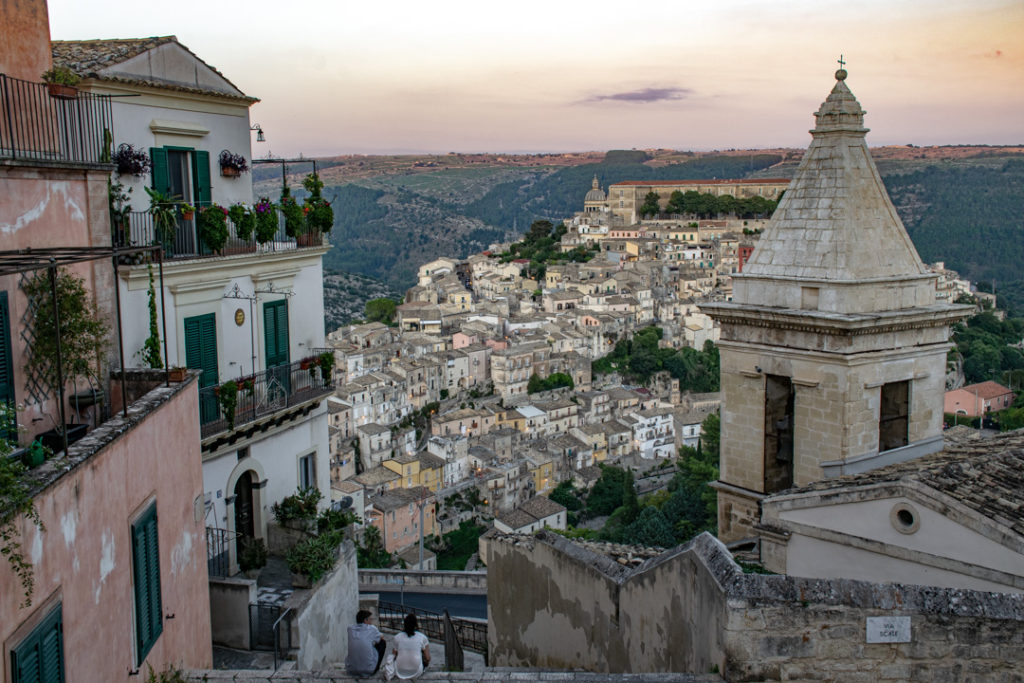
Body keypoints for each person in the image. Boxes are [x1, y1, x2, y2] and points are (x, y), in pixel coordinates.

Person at [345, 609, 387, 677]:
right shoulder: (372, 629)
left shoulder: (350, 629)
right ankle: (376, 668)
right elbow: (381, 637)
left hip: (351, 669)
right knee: (382, 643)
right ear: (365, 620)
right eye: (370, 619)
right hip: (368, 670)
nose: (371, 622)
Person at [392, 613, 430, 679]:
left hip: (399, 671)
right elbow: (427, 658)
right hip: (416, 672)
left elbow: (393, 656)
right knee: (423, 652)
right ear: (415, 625)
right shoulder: (422, 637)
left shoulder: (397, 637)